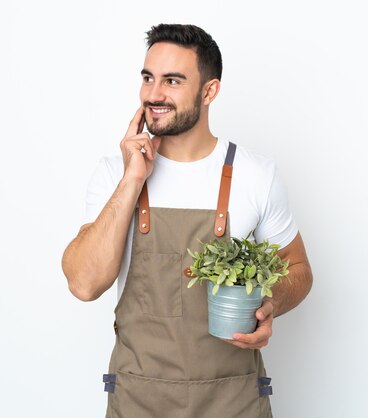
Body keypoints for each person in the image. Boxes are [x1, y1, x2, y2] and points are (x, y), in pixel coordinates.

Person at [62, 23, 313, 418]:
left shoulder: (255, 174)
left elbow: (299, 270)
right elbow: (83, 283)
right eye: (148, 78)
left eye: (172, 81)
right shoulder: (114, 174)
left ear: (209, 91)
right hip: (137, 400)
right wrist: (132, 180)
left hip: (233, 402)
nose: (154, 94)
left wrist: (270, 304)